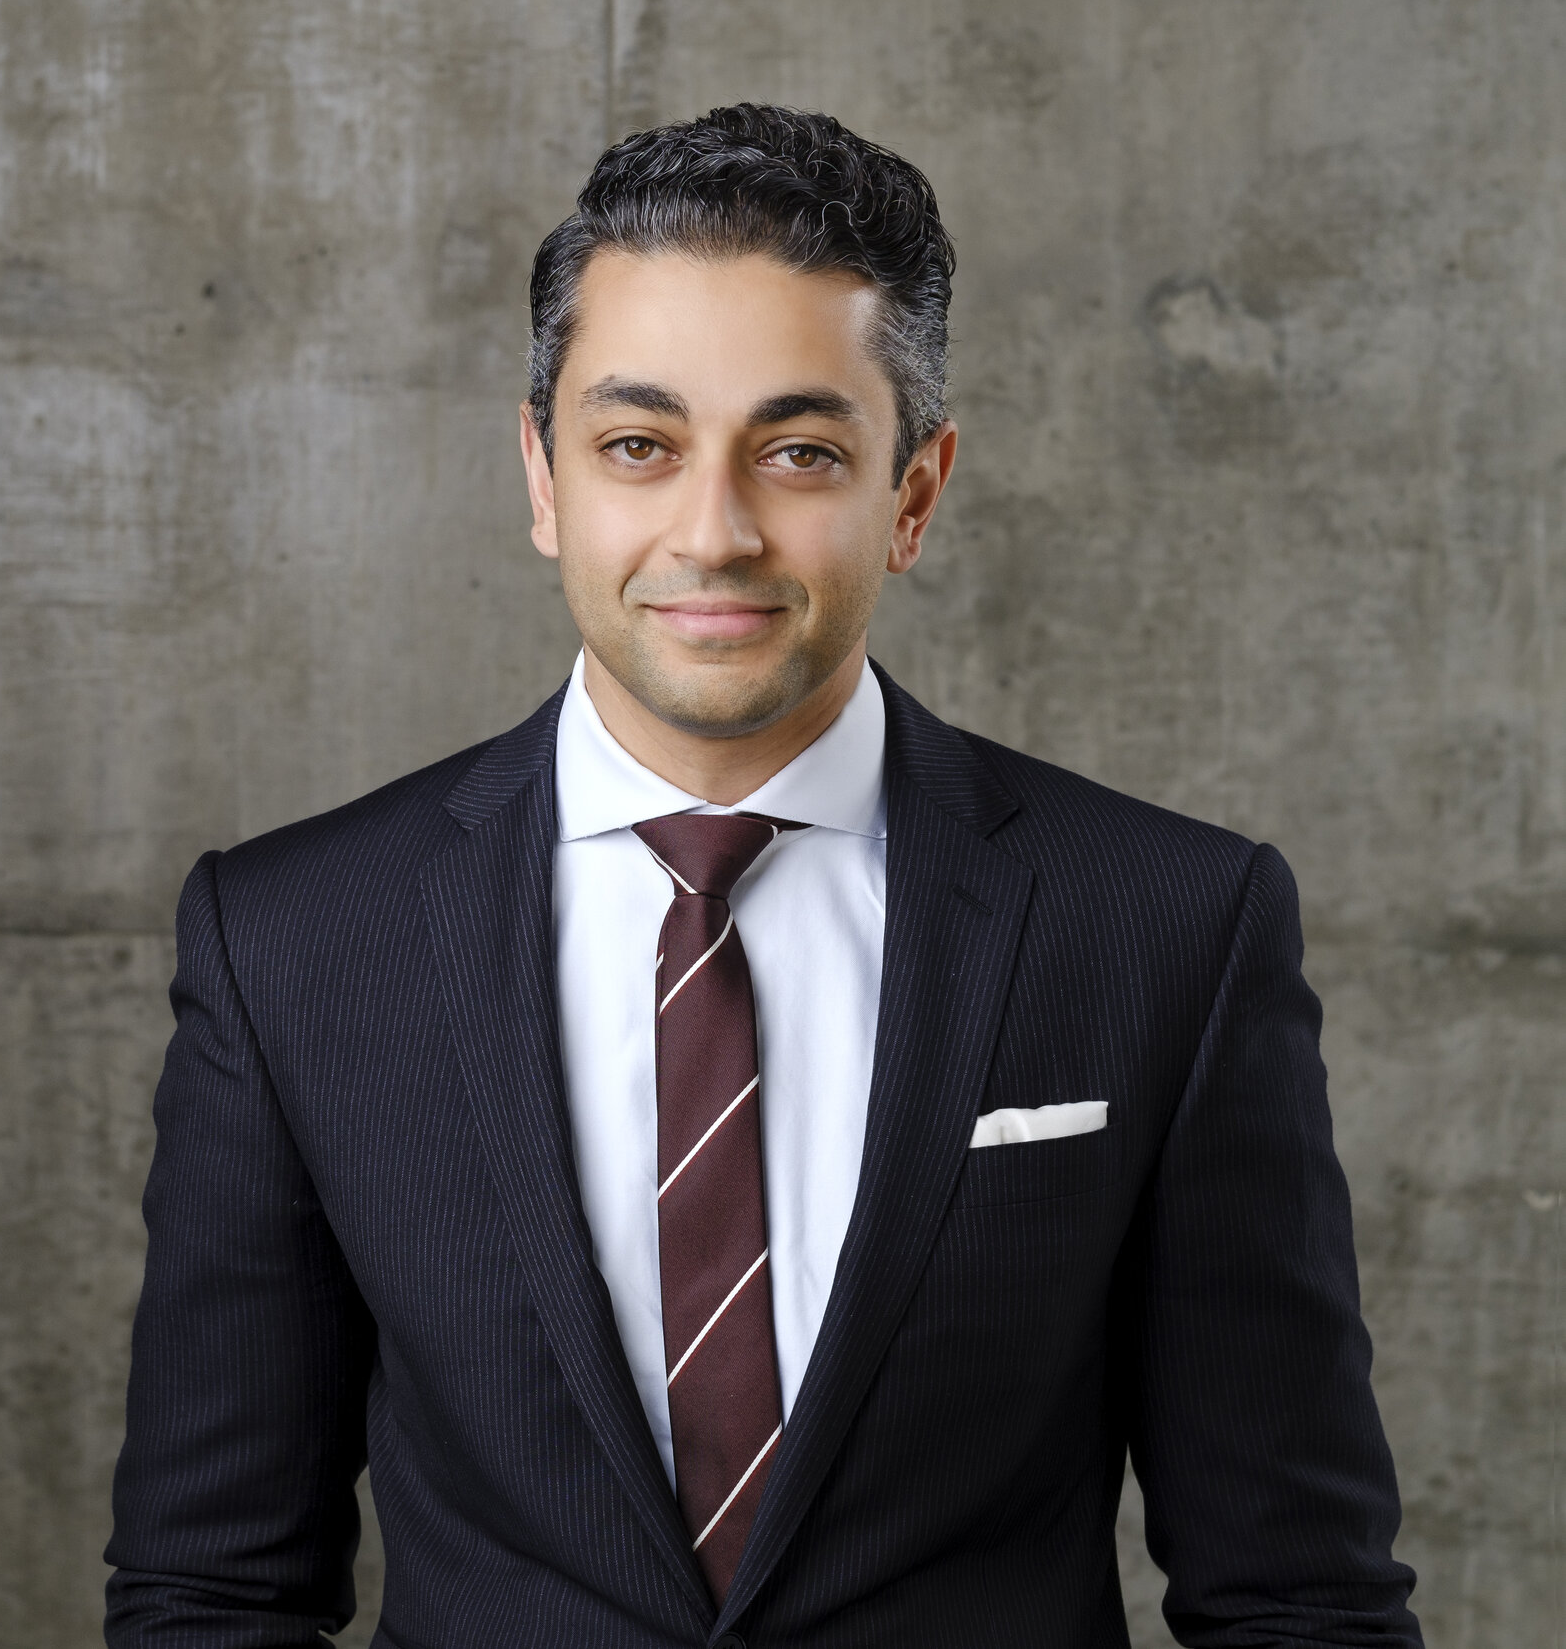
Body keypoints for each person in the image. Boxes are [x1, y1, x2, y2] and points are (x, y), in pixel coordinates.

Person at [103, 104, 1420, 1648]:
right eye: (637, 446)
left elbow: (1297, 1596)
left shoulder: (1166, 930)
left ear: (912, 494)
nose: (712, 532)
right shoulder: (296, 943)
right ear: (544, 480)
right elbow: (210, 1593)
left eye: (799, 452)